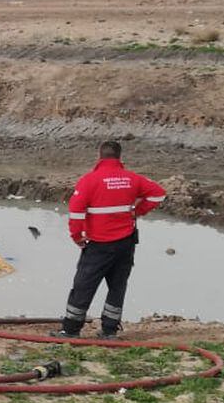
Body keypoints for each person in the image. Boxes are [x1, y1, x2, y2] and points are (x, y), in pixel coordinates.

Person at [51, 140, 166, 339]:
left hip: (99, 244)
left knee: (84, 285)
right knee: (118, 285)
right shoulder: (132, 179)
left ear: (99, 156)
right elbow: (158, 194)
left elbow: (76, 212)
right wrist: (136, 213)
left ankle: (70, 330)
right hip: (125, 243)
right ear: (120, 158)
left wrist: (77, 237)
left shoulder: (89, 180)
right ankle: (109, 330)